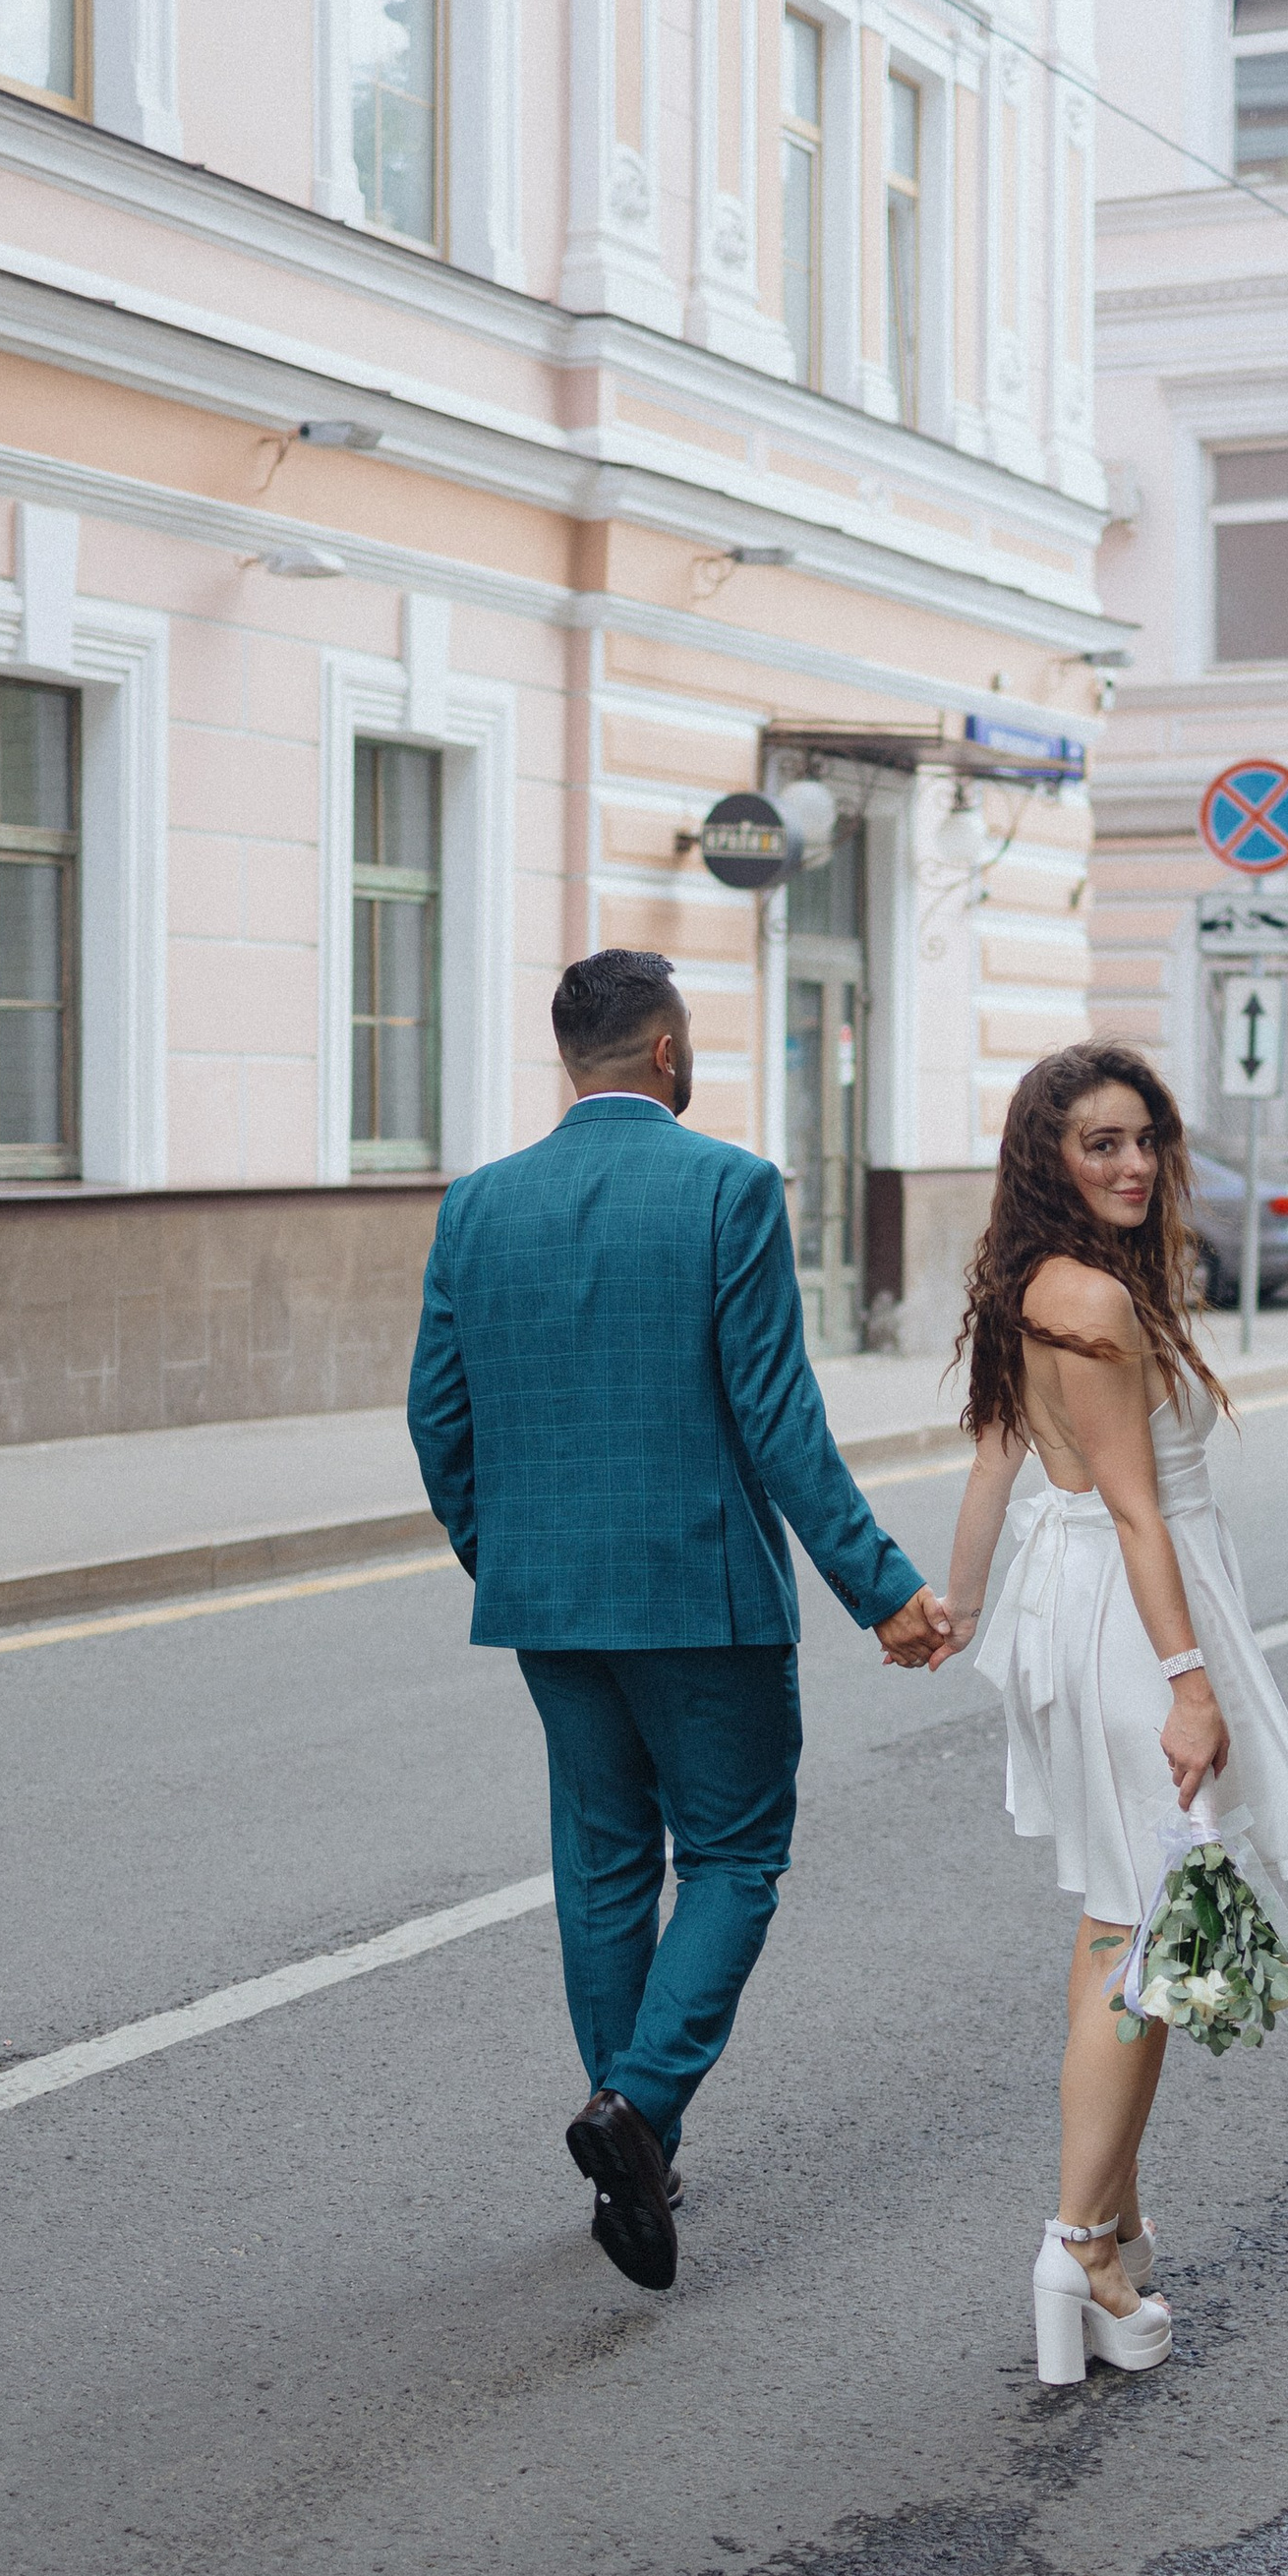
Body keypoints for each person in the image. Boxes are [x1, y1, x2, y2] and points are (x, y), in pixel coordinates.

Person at [406, 949, 952, 2294]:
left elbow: (437, 1419)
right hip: (702, 1601)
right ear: (665, 1053)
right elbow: (776, 1416)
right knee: (732, 1855)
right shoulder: (728, 1187)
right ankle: (640, 2109)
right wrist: (882, 1588)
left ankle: (641, 2140)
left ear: (567, 1058)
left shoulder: (476, 1207)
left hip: (551, 1603)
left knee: (602, 1865)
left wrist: (509, 1553)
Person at [935, 1042, 1288, 2384]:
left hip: (1080, 1607)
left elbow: (999, 1454)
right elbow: (1131, 1507)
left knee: (1126, 1920)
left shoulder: (1034, 1284)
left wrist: (952, 1602)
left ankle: (1106, 2218)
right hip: (1128, 1617)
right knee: (1155, 1935)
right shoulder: (1093, 1306)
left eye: (1144, 1141)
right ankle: (1081, 2247)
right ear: (1048, 1159)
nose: (1130, 1165)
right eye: (1099, 1145)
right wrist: (1188, 1683)